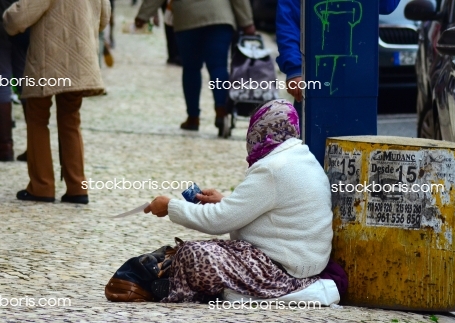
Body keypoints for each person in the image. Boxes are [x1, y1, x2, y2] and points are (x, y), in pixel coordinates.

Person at [144, 99, 334, 302]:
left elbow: (219, 221)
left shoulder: (273, 169)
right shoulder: (301, 158)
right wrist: (224, 200)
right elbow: (269, 209)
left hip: (281, 273)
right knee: (204, 252)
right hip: (304, 265)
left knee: (194, 254)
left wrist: (171, 206)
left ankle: (218, 290)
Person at [3, 0, 111, 203]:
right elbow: (103, 18)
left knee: (37, 118)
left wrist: (7, 17)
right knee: (71, 119)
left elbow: (20, 16)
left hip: (47, 60)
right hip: (80, 60)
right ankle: (77, 187)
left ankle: (42, 186)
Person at [134, 0, 255, 133]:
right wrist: (247, 22)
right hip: (219, 16)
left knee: (191, 68)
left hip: (187, 17)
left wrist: (143, 15)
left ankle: (193, 118)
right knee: (218, 66)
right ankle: (221, 112)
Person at [276, 0, 402, 117]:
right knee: (312, 133)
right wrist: (294, 69)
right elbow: (289, 20)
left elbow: (387, 5)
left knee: (357, 134)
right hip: (315, 73)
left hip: (359, 75)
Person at [0, 0, 28, 162]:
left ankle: (5, 147)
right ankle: (35, 145)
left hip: (3, 22)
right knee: (24, 81)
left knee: (2, 82)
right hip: (23, 26)